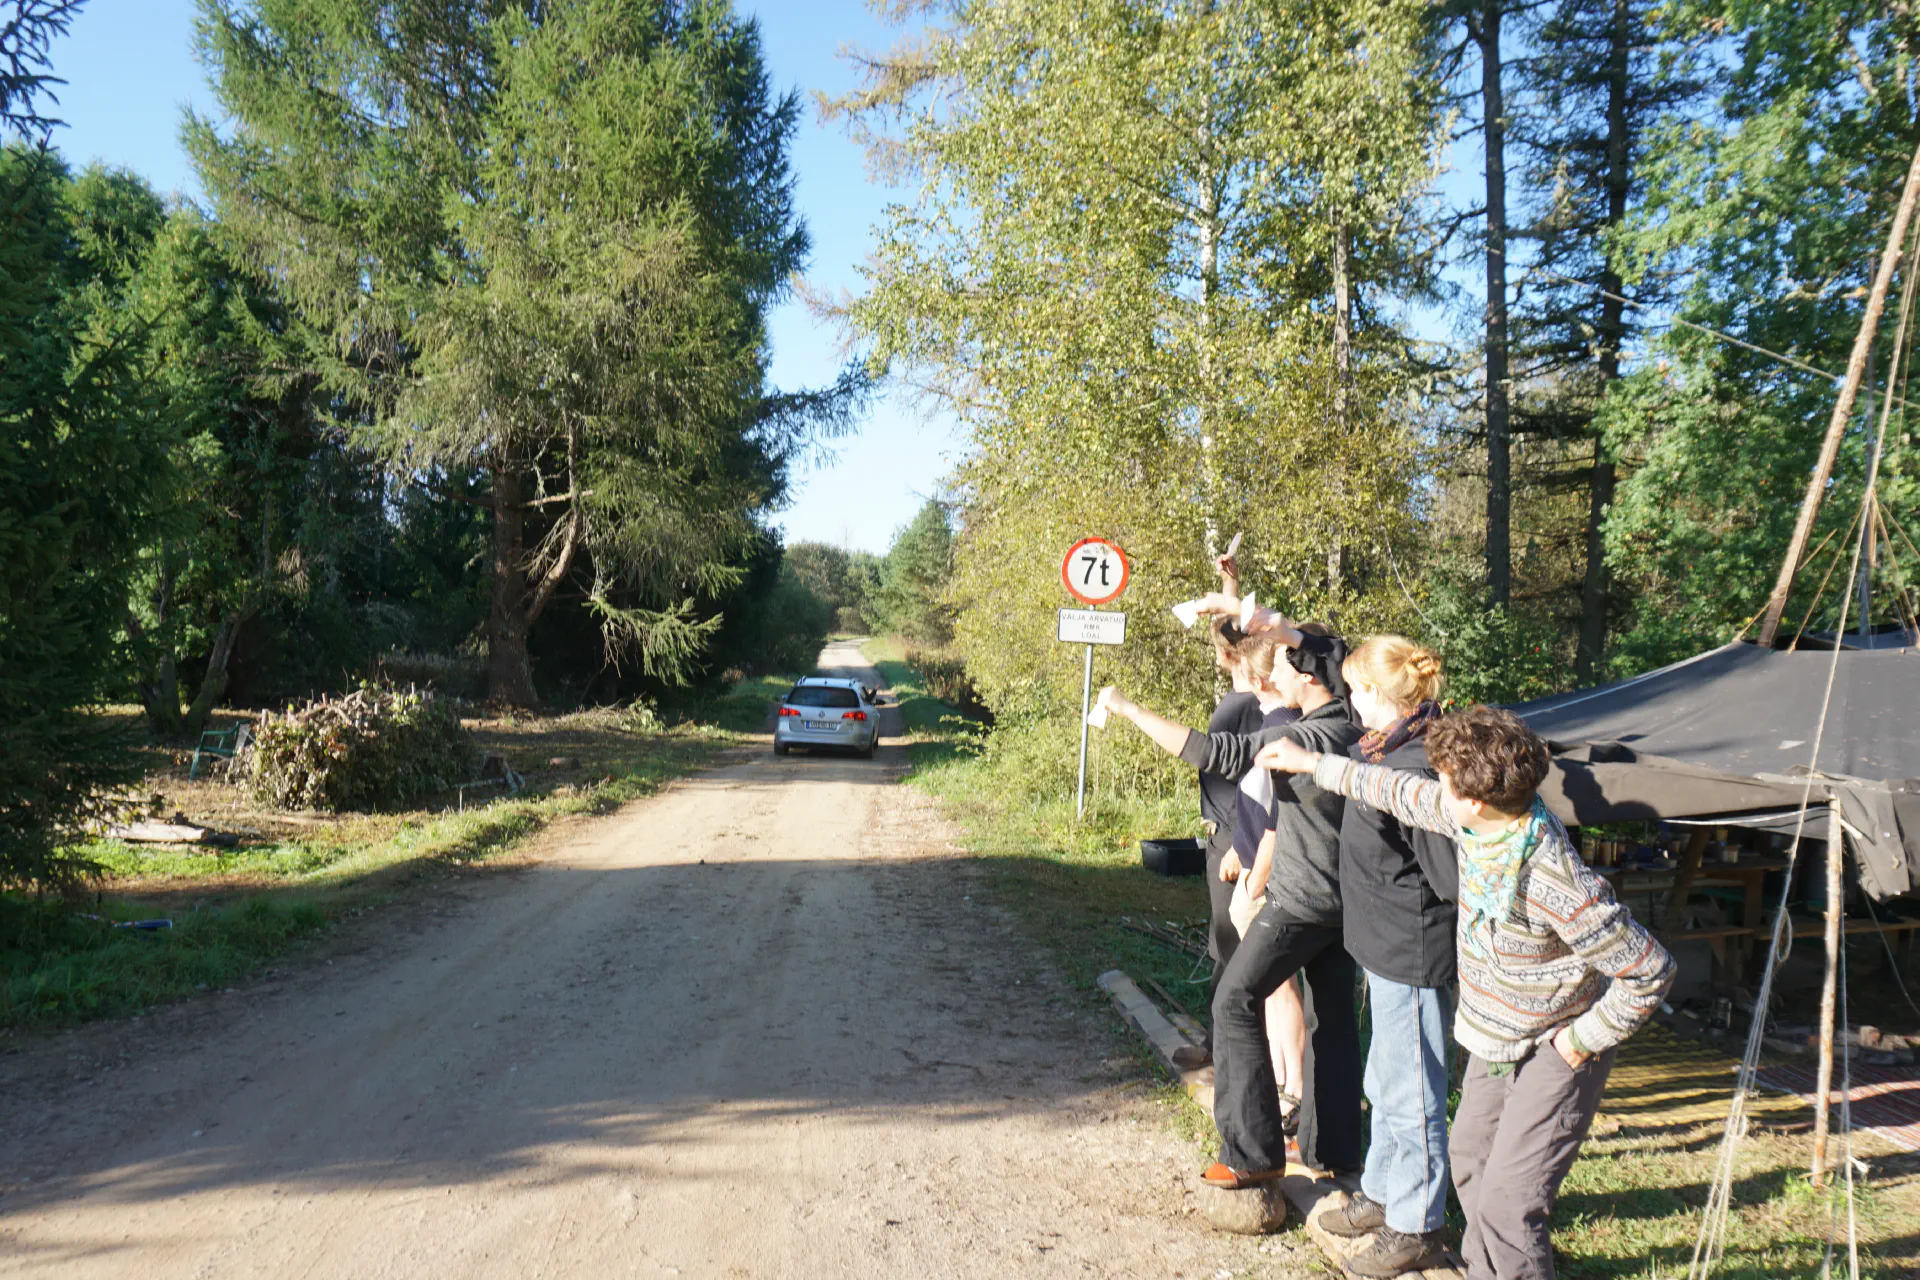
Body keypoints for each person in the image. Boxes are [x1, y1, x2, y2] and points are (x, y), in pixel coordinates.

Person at [1255, 707, 1676, 1280]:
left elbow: (1650, 969)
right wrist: (1310, 762)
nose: (1437, 787)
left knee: (1508, 1204)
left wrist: (1581, 1041)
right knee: (1470, 1162)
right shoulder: (1477, 824)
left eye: (1445, 780)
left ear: (1474, 797)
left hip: (1555, 1049)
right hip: (1495, 1040)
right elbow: (1393, 789)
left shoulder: (1551, 876)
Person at [1096, 622, 1364, 1188]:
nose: (1275, 673)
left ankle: (1251, 1152)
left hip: (1302, 900)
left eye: (1287, 664)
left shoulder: (1302, 737)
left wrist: (1133, 712)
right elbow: (1328, 651)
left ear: (1308, 673)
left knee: (1235, 1000)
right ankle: (1334, 1151)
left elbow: (1212, 751)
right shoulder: (1348, 723)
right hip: (1347, 903)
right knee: (1333, 1021)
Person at [1308, 636, 1456, 1278]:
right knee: (1383, 1079)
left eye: (1359, 690)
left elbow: (1449, 877)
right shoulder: (1382, 748)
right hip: (1380, 944)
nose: (1350, 701)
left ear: (1391, 697)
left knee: (1412, 1089)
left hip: (1413, 948)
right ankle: (1381, 1190)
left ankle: (1417, 1223)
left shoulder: (1419, 763)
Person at [1174, 560, 1272, 1073]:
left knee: (1232, 944)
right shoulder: (1250, 699)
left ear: (1228, 653)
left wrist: (1240, 843)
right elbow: (1230, 629)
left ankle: (1231, 1052)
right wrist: (1229, 588)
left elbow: (1246, 775)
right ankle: (1221, 1046)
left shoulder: (1241, 707)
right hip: (1233, 834)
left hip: (1236, 837)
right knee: (1225, 942)